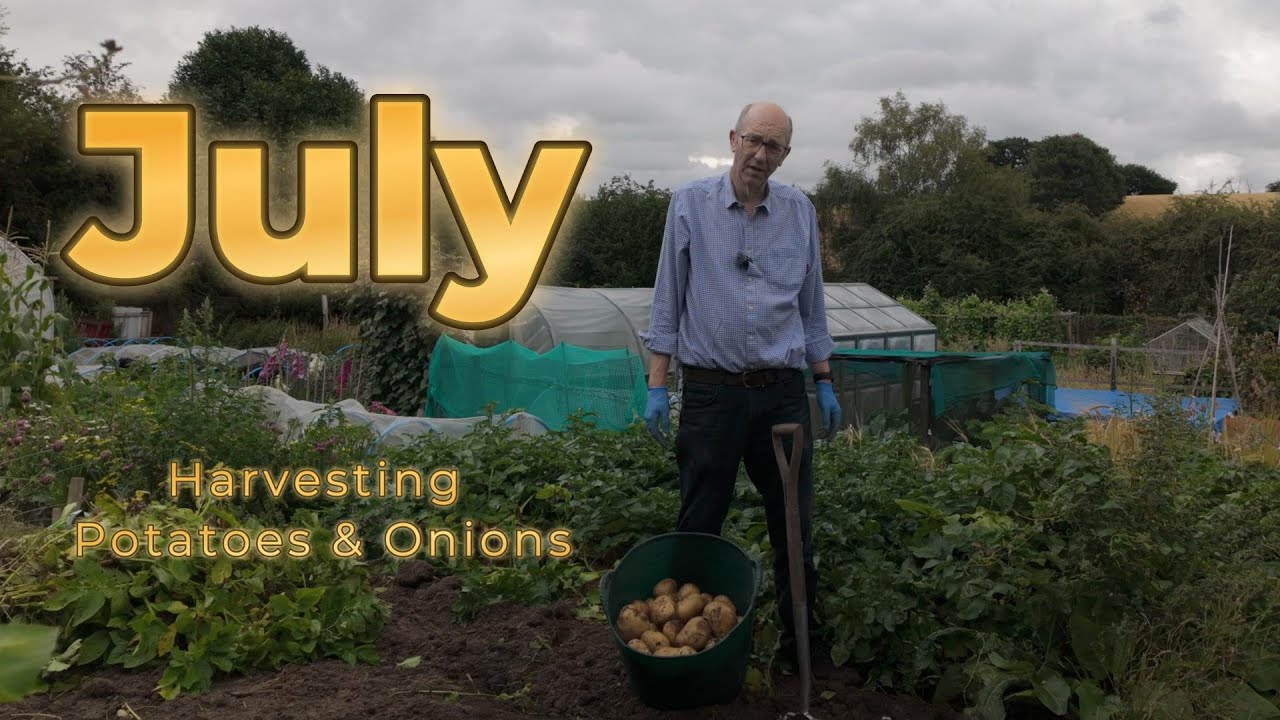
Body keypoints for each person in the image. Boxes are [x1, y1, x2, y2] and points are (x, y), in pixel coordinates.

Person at [638, 101, 841, 677]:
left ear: (785, 154)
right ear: (733, 139)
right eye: (753, 140)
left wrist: (823, 379)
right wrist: (658, 385)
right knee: (700, 521)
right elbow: (667, 300)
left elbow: (812, 306)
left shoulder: (799, 212)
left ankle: (802, 649)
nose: (759, 154)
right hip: (712, 395)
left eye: (772, 146)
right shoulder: (690, 205)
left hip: (782, 394)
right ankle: (688, 649)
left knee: (793, 525)